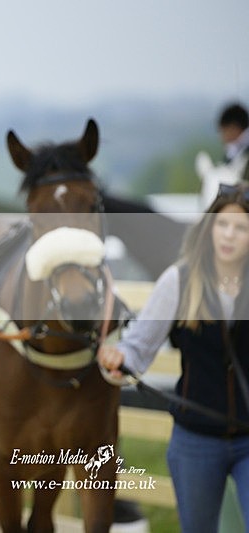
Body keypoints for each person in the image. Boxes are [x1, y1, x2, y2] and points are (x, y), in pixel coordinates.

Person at [98, 181, 249, 533]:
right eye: (222, 224)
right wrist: (118, 357)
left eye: (241, 227)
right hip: (195, 440)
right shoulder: (179, 281)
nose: (229, 235)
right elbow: (139, 346)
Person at [218, 102, 249, 167]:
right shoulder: (232, 153)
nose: (222, 138)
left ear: (233, 128)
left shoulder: (241, 152)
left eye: (224, 132)